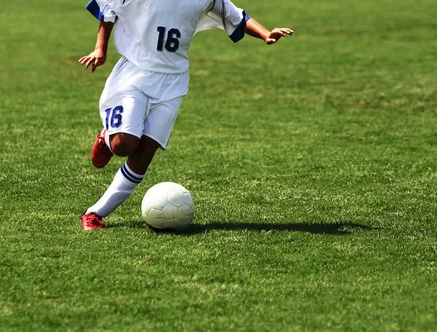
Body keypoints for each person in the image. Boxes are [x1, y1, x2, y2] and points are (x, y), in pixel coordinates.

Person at [78, 0, 293, 230]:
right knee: (124, 145)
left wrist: (265, 34)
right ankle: (108, 140)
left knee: (143, 155)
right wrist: (101, 48)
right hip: (135, 73)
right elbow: (107, 8)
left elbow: (236, 16)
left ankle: (94, 213)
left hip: (173, 82)